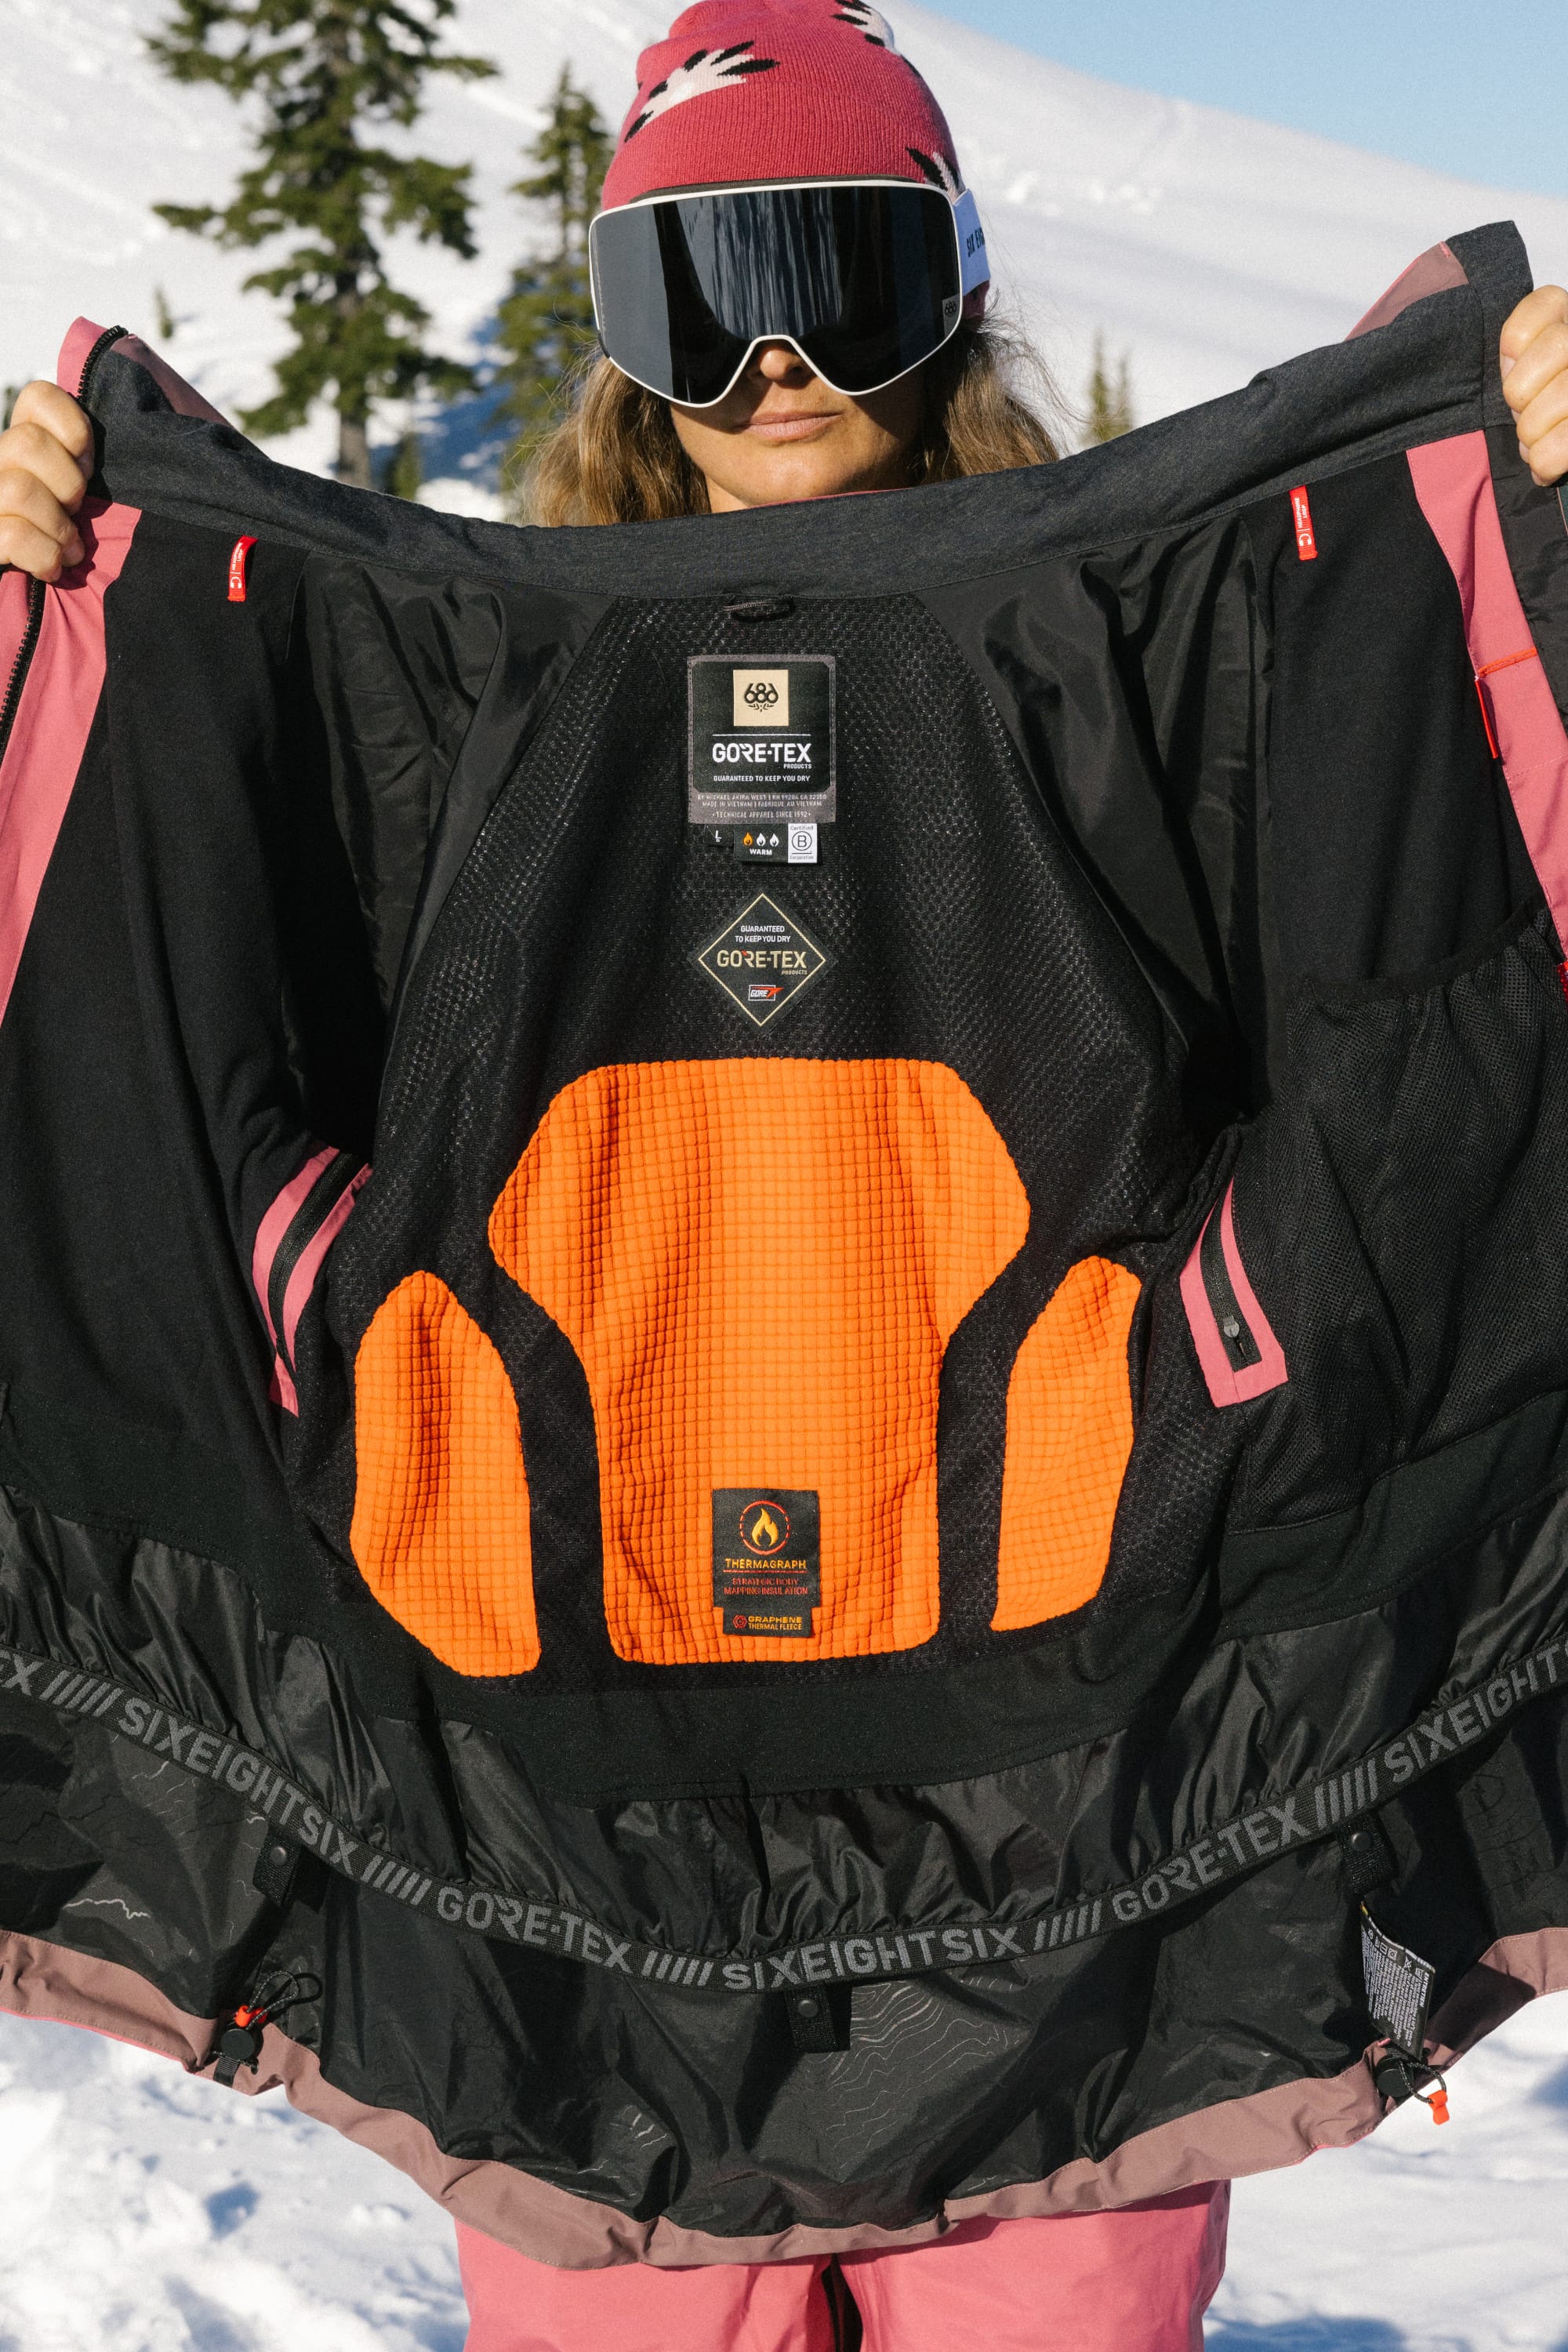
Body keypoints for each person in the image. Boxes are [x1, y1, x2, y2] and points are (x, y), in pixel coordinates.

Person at [3, 8, 1568, 2350]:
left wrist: (1522, 523)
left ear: (945, 288)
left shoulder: (1141, 659)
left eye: (833, 271)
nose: (766, 367)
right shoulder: (459, 711)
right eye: (691, 297)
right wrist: (57, 603)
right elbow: (159, 974)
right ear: (625, 355)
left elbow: (1426, 971)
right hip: (557, 1845)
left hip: (1084, 1851)